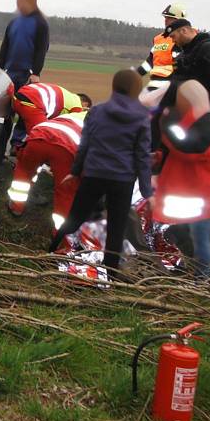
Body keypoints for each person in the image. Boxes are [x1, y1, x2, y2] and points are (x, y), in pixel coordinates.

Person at [48, 70, 152, 277]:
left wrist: (75, 171)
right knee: (116, 227)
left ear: (114, 86)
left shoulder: (97, 111)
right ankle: (111, 274)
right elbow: (142, 156)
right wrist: (146, 190)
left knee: (74, 217)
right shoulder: (141, 117)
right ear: (135, 89)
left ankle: (50, 252)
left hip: (93, 174)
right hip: (122, 180)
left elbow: (84, 144)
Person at [152, 80, 210, 280]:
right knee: (188, 235)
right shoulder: (204, 119)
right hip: (202, 193)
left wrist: (167, 124)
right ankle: (186, 269)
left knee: (199, 238)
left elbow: (186, 148)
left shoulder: (206, 126)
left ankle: (200, 278)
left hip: (201, 196)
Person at [7, 111, 87, 232]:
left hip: (39, 135)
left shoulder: (77, 113)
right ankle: (61, 234)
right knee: (65, 190)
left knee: (24, 170)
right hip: (67, 147)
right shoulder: (106, 125)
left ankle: (15, 207)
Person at [0, 0, 50, 152]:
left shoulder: (40, 24)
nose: (18, 5)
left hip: (27, 75)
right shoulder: (14, 23)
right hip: (10, 73)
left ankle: (17, 142)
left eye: (21, 1)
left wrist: (36, 73)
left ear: (30, 1)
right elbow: (5, 46)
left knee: (25, 109)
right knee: (6, 110)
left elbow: (41, 49)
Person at [164, 19, 210, 113]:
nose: (173, 40)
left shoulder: (209, 49)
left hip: (202, 111)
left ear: (184, 31)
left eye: (173, 36)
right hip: (185, 109)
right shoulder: (185, 53)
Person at [11, 82, 87, 145]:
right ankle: (26, 157)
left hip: (19, 96)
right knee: (41, 135)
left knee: (25, 121)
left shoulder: (66, 94)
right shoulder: (77, 105)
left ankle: (16, 144)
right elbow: (72, 127)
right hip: (32, 103)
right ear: (84, 103)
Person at [136, 3, 187, 89]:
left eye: (169, 18)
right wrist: (135, 75)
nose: (165, 20)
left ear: (178, 20)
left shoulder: (185, 39)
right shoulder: (158, 39)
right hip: (154, 84)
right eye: (165, 17)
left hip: (171, 86)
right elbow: (150, 62)